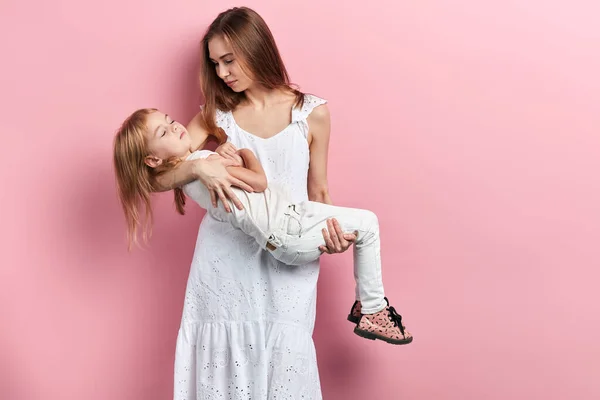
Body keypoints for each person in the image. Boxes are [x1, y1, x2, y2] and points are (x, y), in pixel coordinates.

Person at [120, 6, 409, 399]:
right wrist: (198, 171)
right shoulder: (214, 115)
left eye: (228, 60)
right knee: (225, 370)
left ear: (257, 49)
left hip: (288, 254)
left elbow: (319, 193)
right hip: (224, 265)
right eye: (215, 63)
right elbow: (157, 174)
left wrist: (335, 238)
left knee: (284, 364)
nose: (222, 73)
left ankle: (372, 306)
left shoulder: (312, 114)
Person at [113, 107, 413, 347]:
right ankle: (373, 308)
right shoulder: (203, 163)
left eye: (170, 120)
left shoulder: (193, 176)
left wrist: (217, 158)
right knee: (369, 224)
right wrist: (244, 155)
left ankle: (367, 307)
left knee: (361, 226)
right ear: (152, 159)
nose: (177, 126)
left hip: (289, 225)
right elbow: (259, 183)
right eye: (164, 131)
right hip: (287, 230)